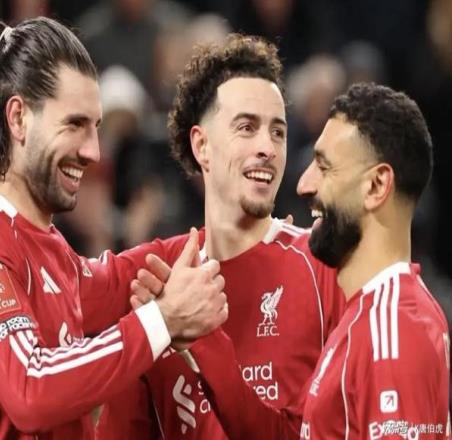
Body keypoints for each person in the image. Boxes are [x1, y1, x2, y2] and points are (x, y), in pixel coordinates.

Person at [0, 17, 228, 438]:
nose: (94, 151)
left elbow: (118, 277)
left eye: (96, 128)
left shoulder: (50, 248)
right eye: (74, 125)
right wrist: (162, 320)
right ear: (19, 118)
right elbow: (31, 388)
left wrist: (228, 234)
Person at [165, 83, 450, 439]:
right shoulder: (366, 318)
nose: (303, 184)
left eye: (324, 168)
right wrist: (207, 342)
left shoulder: (391, 330)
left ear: (377, 186)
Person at [96, 34, 345, 439]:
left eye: (278, 132)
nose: (267, 148)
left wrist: (204, 344)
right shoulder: (158, 282)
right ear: (202, 145)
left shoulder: (323, 269)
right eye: (247, 127)